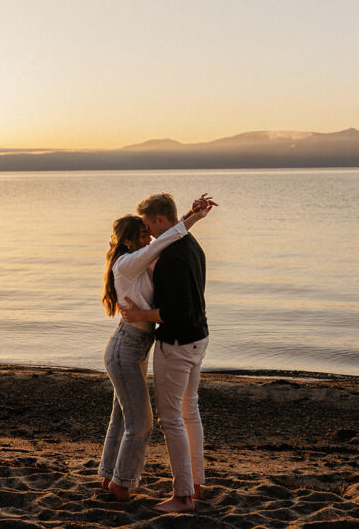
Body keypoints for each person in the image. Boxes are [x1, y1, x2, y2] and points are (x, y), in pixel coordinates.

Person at [98, 194, 213, 502]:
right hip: (125, 347)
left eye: (149, 229)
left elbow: (169, 238)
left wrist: (189, 217)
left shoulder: (140, 261)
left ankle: (108, 476)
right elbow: (165, 239)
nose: (148, 236)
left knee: (122, 418)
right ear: (129, 241)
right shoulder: (129, 263)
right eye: (142, 233)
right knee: (141, 422)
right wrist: (193, 217)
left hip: (136, 347)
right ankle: (120, 485)